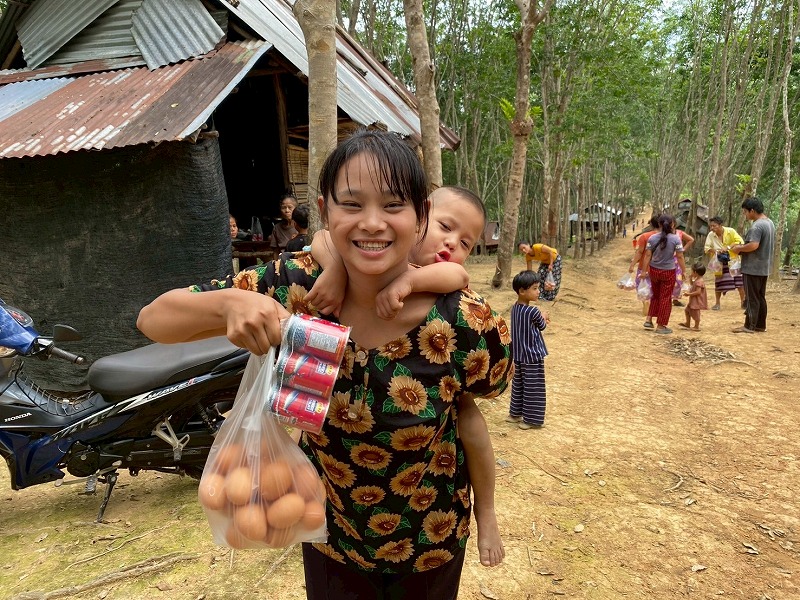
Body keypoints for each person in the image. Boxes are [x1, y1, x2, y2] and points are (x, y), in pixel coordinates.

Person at [136, 130, 512, 599]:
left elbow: (488, 392)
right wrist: (226, 305)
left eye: (394, 205)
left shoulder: (464, 321)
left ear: (421, 217)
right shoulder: (298, 286)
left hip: (430, 542)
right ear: (325, 210)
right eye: (351, 205)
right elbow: (153, 320)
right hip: (332, 539)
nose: (372, 223)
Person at [304, 185, 508, 567]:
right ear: (417, 217)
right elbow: (322, 237)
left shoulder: (446, 285)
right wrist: (334, 270)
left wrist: (410, 282)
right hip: (337, 514)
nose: (451, 243)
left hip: (428, 514)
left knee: (469, 417)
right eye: (445, 226)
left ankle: (488, 515)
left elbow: (455, 273)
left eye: (465, 241)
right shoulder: (355, 259)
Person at [506, 270, 549, 429]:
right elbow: (542, 326)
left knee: (519, 385)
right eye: (535, 288)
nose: (538, 291)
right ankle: (531, 420)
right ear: (522, 291)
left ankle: (514, 414)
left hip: (518, 355)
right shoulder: (533, 311)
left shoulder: (515, 308)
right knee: (534, 387)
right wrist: (543, 316)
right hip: (532, 356)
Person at [729, 196, 775, 333]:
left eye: (745, 212)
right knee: (760, 297)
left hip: (753, 268)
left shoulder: (757, 226)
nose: (745, 215)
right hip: (764, 267)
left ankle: (749, 326)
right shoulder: (769, 223)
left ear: (752, 210)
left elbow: (754, 245)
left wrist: (738, 248)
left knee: (752, 297)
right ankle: (760, 325)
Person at [641, 213, 686, 334]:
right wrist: (684, 270)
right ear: (672, 224)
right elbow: (680, 256)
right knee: (665, 298)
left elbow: (648, 255)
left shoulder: (652, 238)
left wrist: (644, 271)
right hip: (668, 271)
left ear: (659, 224)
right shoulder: (676, 238)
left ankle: (649, 319)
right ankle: (661, 325)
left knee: (655, 295)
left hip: (654, 270)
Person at [703, 216, 745, 311]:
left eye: (714, 226)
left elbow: (739, 241)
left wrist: (728, 247)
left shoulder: (731, 231)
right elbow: (706, 248)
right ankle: (717, 303)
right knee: (718, 282)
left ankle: (743, 302)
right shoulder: (710, 235)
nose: (712, 228)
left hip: (733, 260)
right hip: (718, 261)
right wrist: (716, 251)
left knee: (739, 282)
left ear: (720, 225)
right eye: (711, 226)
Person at [628, 215, 661, 315]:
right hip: (661, 268)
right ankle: (653, 307)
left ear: (651, 224)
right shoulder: (668, 237)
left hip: (644, 267)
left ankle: (646, 302)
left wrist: (632, 265)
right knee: (655, 288)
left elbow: (639, 252)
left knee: (642, 288)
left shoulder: (645, 236)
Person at [669, 218, 694, 307]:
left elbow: (691, 240)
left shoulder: (679, 233)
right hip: (666, 260)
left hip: (677, 260)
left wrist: (682, 250)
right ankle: (666, 298)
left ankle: (675, 299)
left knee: (678, 279)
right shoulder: (663, 234)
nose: (670, 225)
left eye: (671, 223)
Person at [265, 193, 298, 259]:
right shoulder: (277, 228)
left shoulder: (300, 226)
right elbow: (276, 251)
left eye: (290, 207)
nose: (287, 211)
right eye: (284, 208)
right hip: (282, 261)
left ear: (296, 209)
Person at [679, 262, 708, 330]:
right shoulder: (697, 280)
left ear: (695, 272)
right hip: (693, 300)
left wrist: (689, 294)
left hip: (697, 301)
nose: (691, 272)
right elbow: (692, 285)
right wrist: (690, 279)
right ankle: (687, 323)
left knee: (695, 313)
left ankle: (696, 326)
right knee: (687, 310)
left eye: (692, 271)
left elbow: (698, 292)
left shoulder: (699, 281)